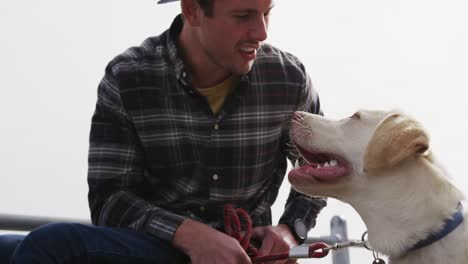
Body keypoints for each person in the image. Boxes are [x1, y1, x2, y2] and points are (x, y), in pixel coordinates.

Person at [4, 0, 327, 263]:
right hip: (154, 248)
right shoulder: (128, 78)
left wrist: (289, 231)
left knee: (53, 244)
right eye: (243, 16)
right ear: (192, 10)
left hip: (244, 257)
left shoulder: (288, 79)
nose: (261, 32)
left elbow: (324, 167)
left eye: (267, 12)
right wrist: (192, 235)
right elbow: (109, 198)